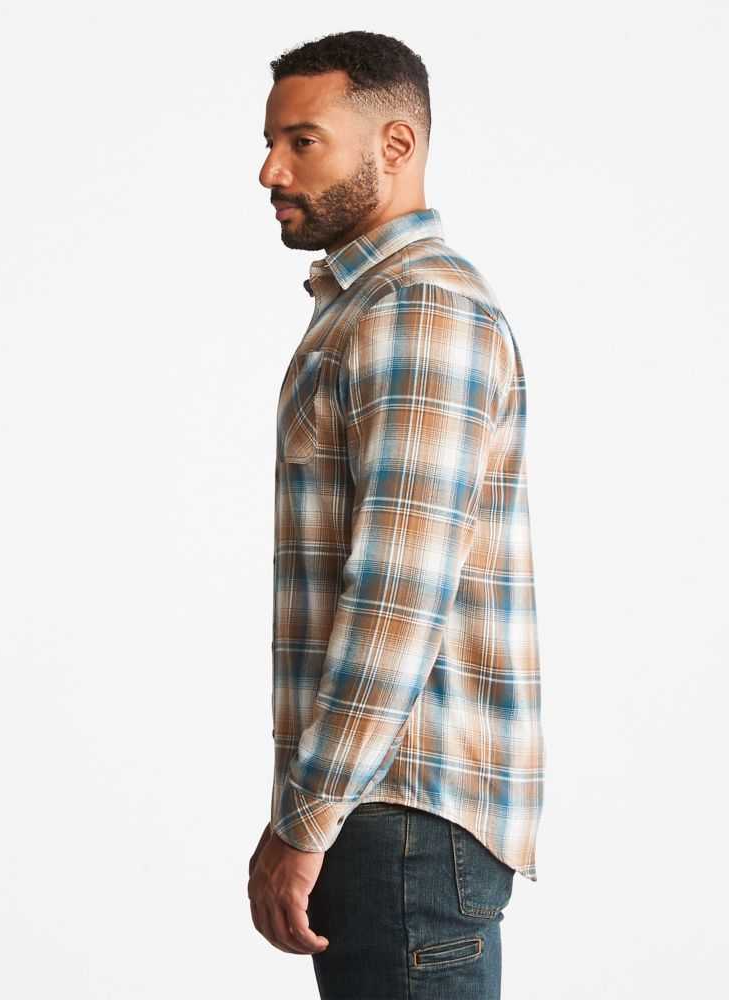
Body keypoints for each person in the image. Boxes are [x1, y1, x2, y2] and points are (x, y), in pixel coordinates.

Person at [247, 30, 545, 999]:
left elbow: (398, 596)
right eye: (269, 143)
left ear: (396, 144)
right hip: (384, 816)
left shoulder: (417, 309)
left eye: (301, 142)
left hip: (400, 820)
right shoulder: (366, 306)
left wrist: (305, 817)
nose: (269, 171)